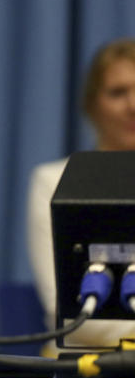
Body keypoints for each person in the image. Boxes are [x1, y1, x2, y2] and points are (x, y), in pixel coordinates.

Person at [27, 38, 135, 350]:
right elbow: (68, 313)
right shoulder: (53, 180)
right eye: (117, 92)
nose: (132, 105)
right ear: (91, 104)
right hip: (81, 367)